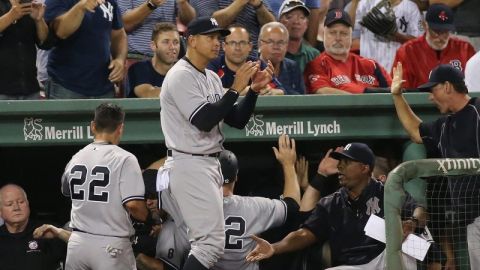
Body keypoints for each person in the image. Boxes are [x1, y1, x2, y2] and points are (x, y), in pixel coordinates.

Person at [159, 15, 273, 270]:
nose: (217, 42)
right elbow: (203, 120)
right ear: (191, 40)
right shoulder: (180, 75)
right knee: (209, 245)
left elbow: (237, 119)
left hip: (207, 164)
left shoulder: (210, 76)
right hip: (189, 163)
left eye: (219, 38)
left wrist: (252, 91)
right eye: (210, 37)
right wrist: (235, 88)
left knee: (209, 243)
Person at [246, 143, 425, 269]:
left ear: (364, 168)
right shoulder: (331, 203)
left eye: (346, 162)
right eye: (339, 162)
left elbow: (420, 211)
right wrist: (274, 247)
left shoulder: (386, 192)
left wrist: (412, 221)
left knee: (410, 242)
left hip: (387, 261)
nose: (340, 167)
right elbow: (304, 234)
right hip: (353, 266)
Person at [391, 62, 480, 269]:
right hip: (472, 220)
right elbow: (415, 131)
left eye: (433, 90)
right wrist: (397, 96)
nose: (430, 96)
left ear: (447, 86)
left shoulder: (478, 110)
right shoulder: (444, 126)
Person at [60, 103, 152, 269]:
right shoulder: (125, 159)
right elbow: (134, 206)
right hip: (111, 245)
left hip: (78, 244)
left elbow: (67, 191)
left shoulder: (76, 157)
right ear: (120, 128)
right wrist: (150, 220)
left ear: (93, 126)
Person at [213, 134, 301, 270]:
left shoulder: (196, 207)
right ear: (236, 176)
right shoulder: (253, 206)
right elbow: (292, 206)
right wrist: (288, 164)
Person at [44, 0, 128, 98]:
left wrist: (120, 59)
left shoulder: (110, 2)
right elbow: (61, 32)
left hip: (103, 85)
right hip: (66, 84)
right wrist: (80, 7)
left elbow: (119, 34)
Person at [304, 9, 392, 95]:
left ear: (351, 37)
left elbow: (394, 90)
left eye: (343, 33)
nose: (338, 38)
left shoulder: (371, 65)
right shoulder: (317, 65)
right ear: (324, 36)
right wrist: (364, 95)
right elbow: (322, 91)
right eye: (332, 33)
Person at [392, 4, 475, 90]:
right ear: (425, 25)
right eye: (436, 31)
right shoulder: (407, 51)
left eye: (445, 31)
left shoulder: (465, 49)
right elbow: (400, 90)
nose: (440, 37)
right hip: (418, 102)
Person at [0, 184, 68, 270]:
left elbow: (83, 250)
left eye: (21, 202)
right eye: (9, 204)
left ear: (28, 204)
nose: (16, 208)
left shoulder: (48, 230)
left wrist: (60, 234)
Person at [207, 24, 284, 96]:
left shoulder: (258, 65)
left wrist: (269, 91)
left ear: (250, 46)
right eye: (232, 43)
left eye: (242, 43)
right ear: (224, 46)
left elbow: (281, 91)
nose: (237, 48)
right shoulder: (213, 65)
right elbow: (210, 93)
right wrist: (250, 90)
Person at [0, 0, 51, 100]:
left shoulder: (30, 5)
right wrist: (10, 16)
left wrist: (39, 20)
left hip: (30, 89)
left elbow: (45, 43)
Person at [353, 0, 422, 72]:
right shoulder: (366, 3)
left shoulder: (411, 8)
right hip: (368, 68)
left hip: (395, 69)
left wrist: (396, 36)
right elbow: (349, 26)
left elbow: (418, 43)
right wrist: (354, 3)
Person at [190, 0, 276, 57]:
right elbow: (211, 23)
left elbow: (273, 28)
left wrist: (259, 6)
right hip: (217, 60)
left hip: (251, 59)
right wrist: (240, 2)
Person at [118, 0, 195, 58]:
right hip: (137, 57)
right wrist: (151, 4)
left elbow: (191, 22)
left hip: (169, 59)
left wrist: (183, 3)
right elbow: (124, 24)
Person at [127, 22, 180, 98]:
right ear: (153, 46)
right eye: (166, 42)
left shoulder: (183, 70)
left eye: (176, 42)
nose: (172, 47)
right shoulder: (139, 68)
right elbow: (148, 95)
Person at [258, 22, 305, 95]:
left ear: (286, 46)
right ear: (260, 44)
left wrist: (282, 92)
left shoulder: (293, 67)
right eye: (270, 42)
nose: (276, 47)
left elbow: (302, 97)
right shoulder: (251, 68)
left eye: (281, 42)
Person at [278, 0, 320, 74]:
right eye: (289, 17)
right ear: (280, 22)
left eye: (301, 17)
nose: (296, 21)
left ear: (307, 24)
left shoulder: (314, 55)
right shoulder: (274, 52)